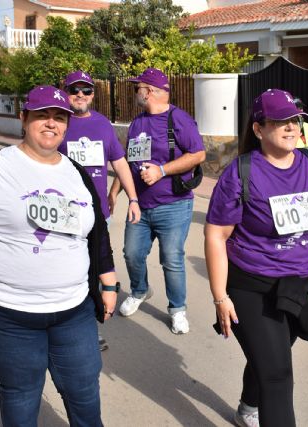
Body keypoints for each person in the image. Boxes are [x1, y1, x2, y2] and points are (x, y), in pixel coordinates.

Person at [0, 85, 118, 426]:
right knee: (22, 390)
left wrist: (108, 282)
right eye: (42, 116)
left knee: (83, 390)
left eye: (59, 117)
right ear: (24, 119)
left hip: (73, 309)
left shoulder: (76, 173)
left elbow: (96, 232)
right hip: (6, 313)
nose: (51, 124)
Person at [204, 89, 308, 427]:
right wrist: (220, 296)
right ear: (259, 129)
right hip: (253, 285)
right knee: (278, 373)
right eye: (279, 121)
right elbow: (216, 235)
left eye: (294, 120)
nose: (290, 128)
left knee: (271, 354)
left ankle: (248, 405)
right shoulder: (241, 173)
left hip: (300, 283)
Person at [110, 67, 205, 334]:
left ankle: (177, 309)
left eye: (136, 87)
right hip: (139, 204)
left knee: (171, 259)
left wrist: (161, 170)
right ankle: (140, 291)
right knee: (132, 253)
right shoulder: (138, 122)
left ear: (149, 91)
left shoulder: (179, 119)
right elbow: (129, 161)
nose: (134, 93)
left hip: (174, 204)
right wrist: (114, 192)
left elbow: (198, 154)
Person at [58, 70, 141, 351]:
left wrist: (133, 198)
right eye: (74, 90)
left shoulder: (103, 125)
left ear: (93, 94)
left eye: (86, 90)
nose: (80, 95)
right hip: (64, 214)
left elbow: (119, 164)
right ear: (66, 91)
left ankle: (89, 328)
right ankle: (68, 325)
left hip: (97, 213)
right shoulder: (58, 122)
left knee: (95, 269)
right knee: (71, 272)